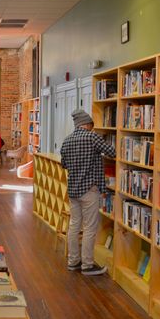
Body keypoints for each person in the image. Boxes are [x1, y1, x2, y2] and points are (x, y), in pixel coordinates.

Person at [59, 109, 116, 275]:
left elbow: (64, 164)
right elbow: (112, 152)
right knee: (90, 228)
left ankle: (73, 261)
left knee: (74, 225)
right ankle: (87, 265)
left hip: (73, 189)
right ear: (87, 123)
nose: (93, 127)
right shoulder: (92, 137)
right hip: (89, 189)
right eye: (92, 124)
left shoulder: (67, 140)